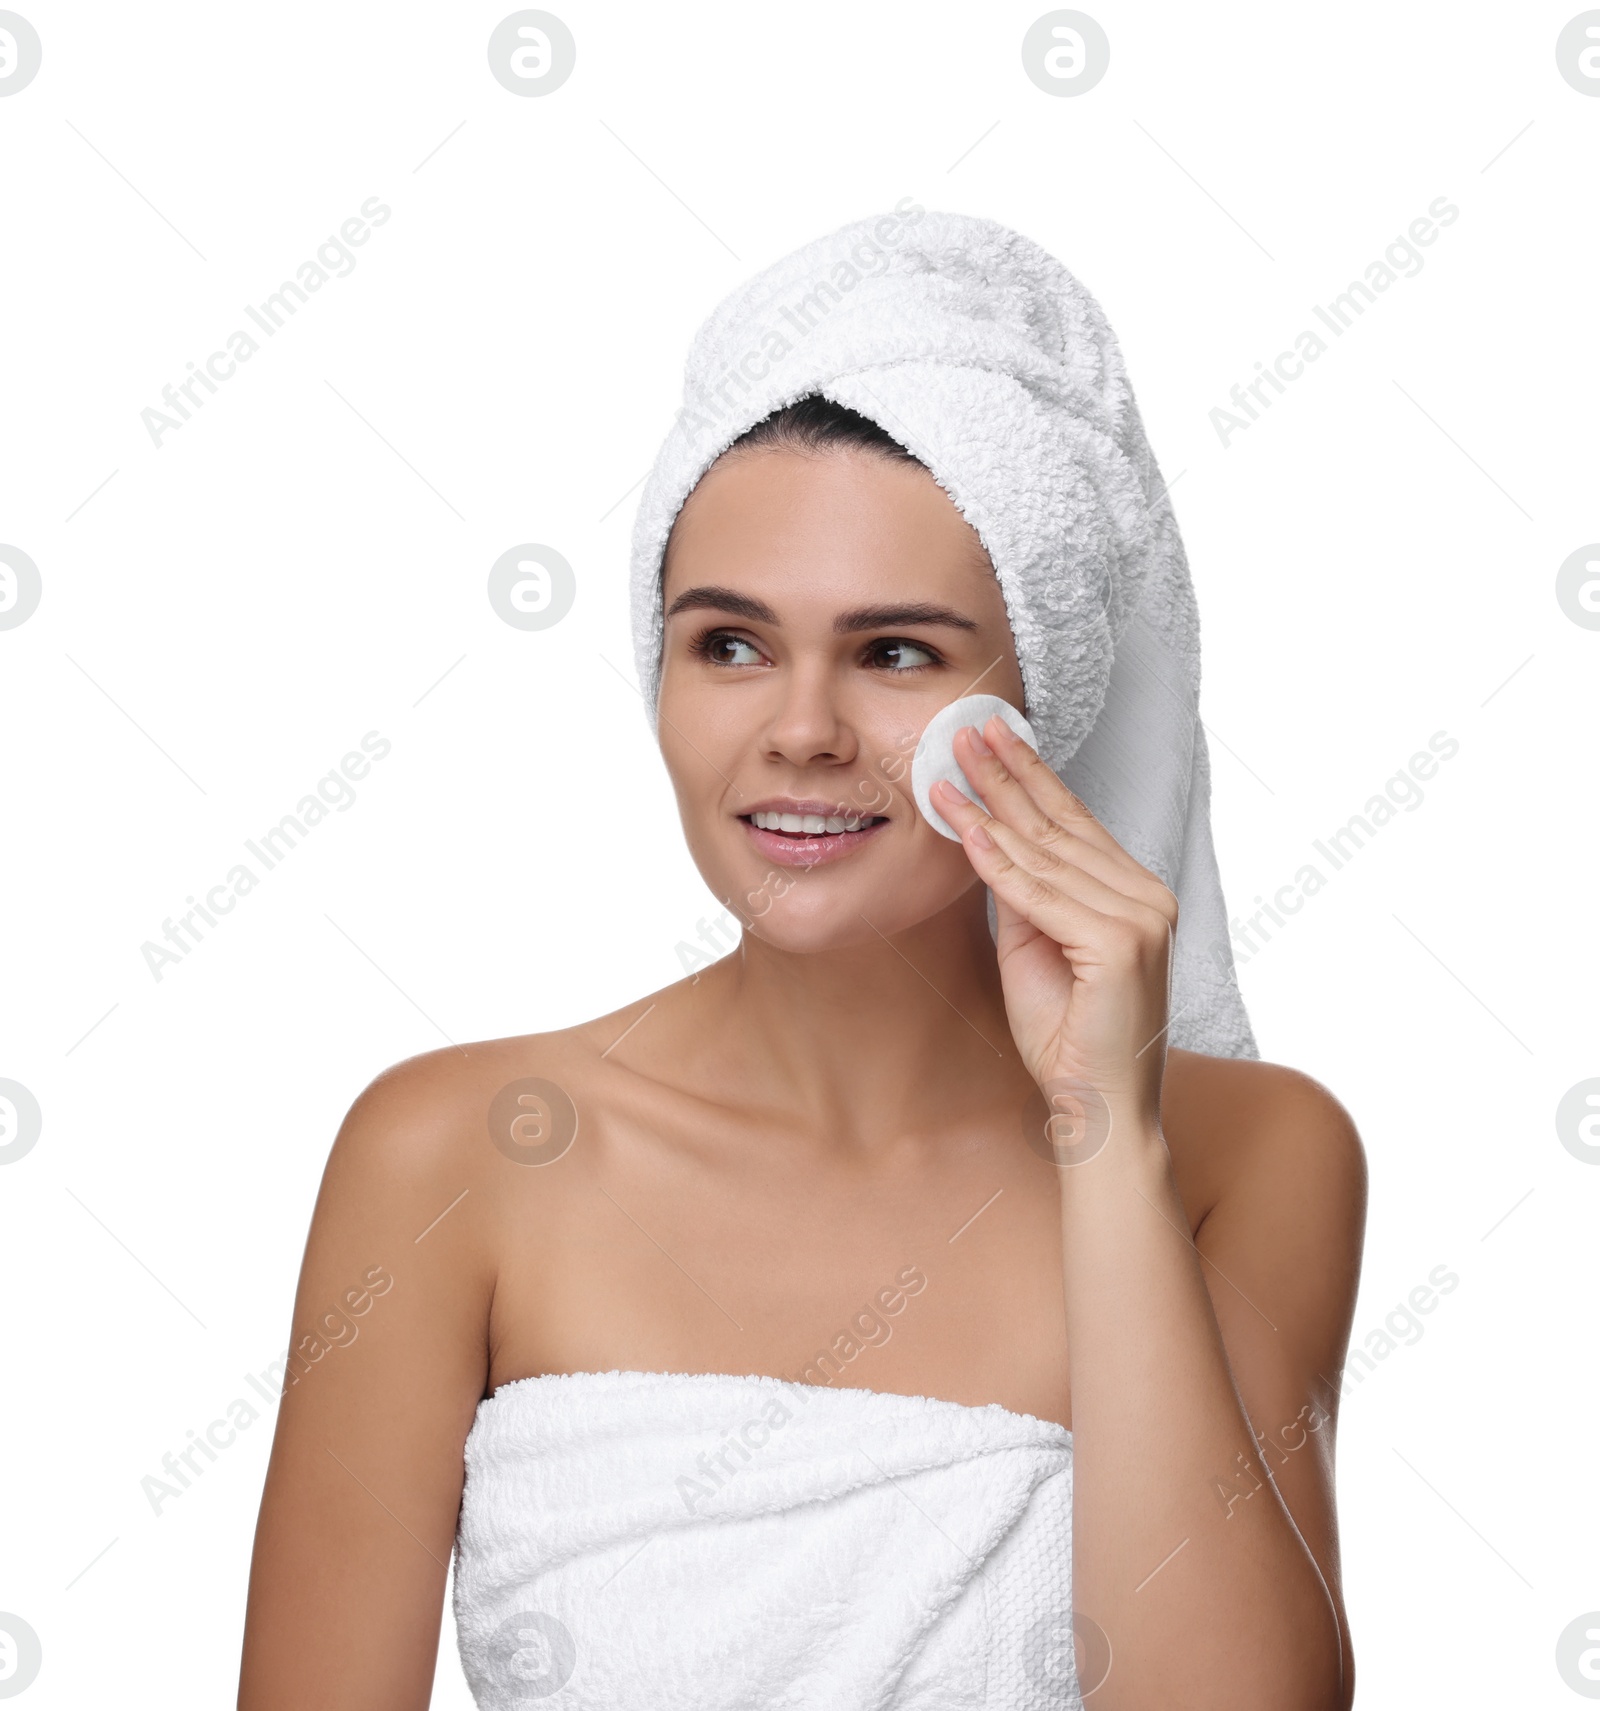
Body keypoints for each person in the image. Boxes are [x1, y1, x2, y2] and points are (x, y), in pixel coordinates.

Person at [238, 216, 1366, 1711]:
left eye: (898, 652)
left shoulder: (1255, 1148)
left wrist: (1107, 1130)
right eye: (729, 645)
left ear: (1047, 689)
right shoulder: (452, 1154)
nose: (802, 731)